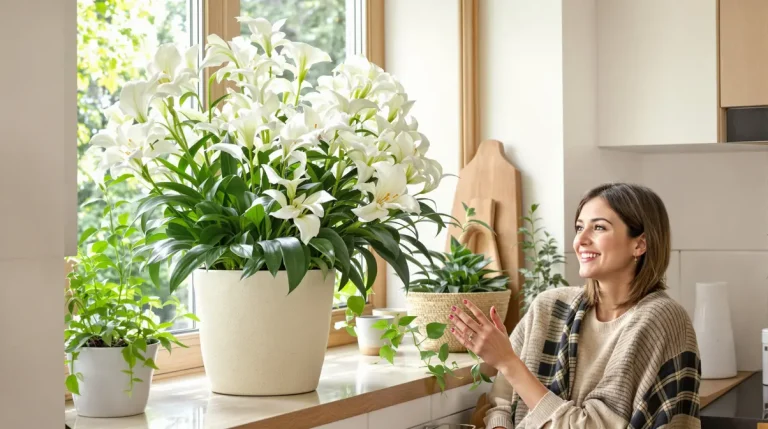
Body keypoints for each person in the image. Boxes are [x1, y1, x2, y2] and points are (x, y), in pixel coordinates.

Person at [448, 183, 701, 429]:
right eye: (579, 227)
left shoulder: (659, 318)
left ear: (640, 244)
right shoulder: (549, 308)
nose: (582, 240)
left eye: (599, 227)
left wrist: (509, 362)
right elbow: (501, 402)